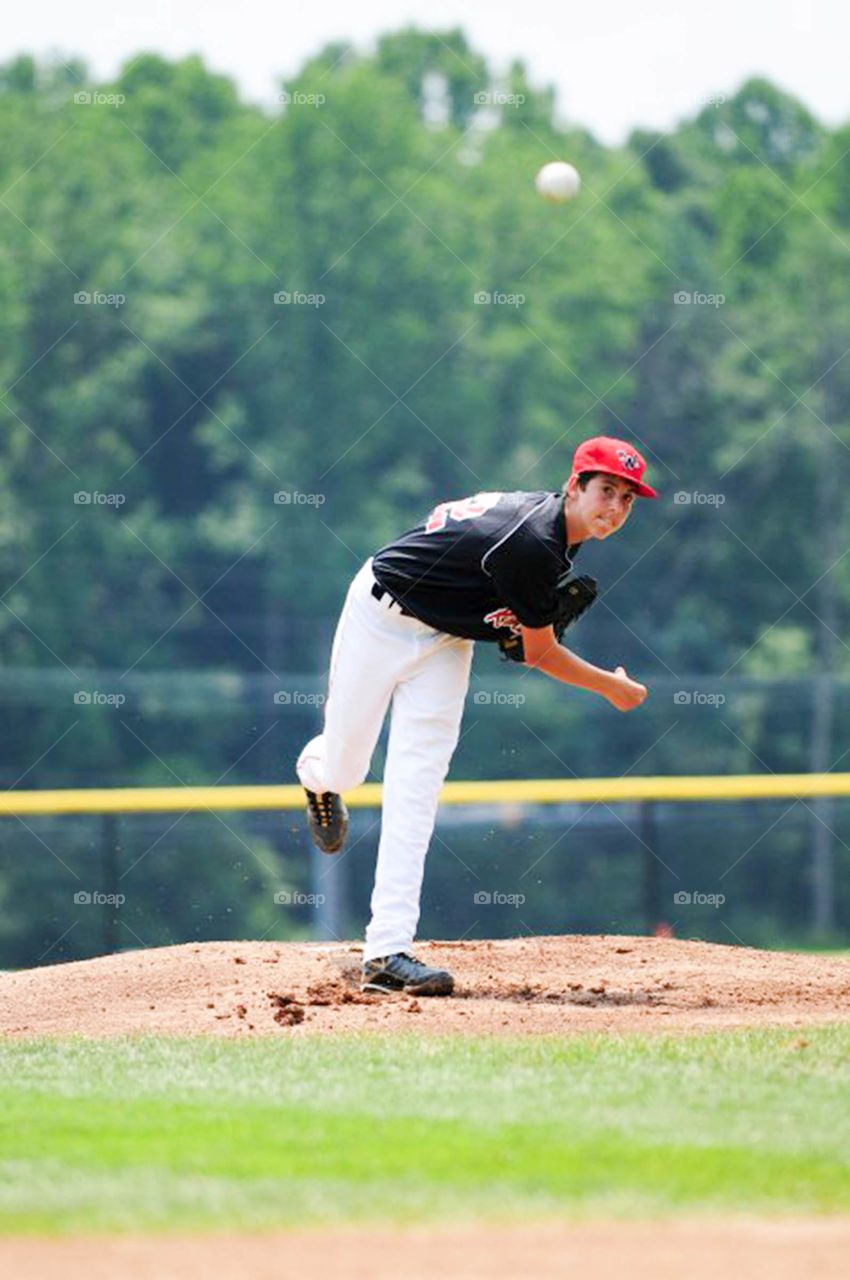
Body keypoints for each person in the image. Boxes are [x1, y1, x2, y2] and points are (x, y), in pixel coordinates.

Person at [296, 436, 656, 996]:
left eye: (627, 499)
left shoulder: (558, 533)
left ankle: (386, 952)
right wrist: (610, 686)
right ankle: (315, 776)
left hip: (445, 640)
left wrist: (499, 619)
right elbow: (537, 654)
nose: (615, 507)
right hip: (381, 616)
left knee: (417, 786)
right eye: (606, 490)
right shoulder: (536, 542)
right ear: (574, 486)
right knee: (346, 770)